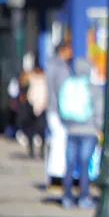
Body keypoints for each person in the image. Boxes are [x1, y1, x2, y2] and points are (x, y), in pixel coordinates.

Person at [59, 59, 104, 209]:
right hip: (89, 130)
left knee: (70, 164)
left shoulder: (68, 85)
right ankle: (84, 197)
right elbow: (99, 109)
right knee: (85, 165)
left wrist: (67, 124)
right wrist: (99, 126)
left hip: (71, 129)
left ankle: (67, 197)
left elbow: (61, 107)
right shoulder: (93, 88)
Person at [45, 43, 73, 177]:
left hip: (52, 108)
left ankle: (53, 172)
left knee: (56, 139)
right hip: (59, 110)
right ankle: (57, 173)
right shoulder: (61, 68)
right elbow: (62, 91)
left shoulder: (50, 65)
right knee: (60, 140)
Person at [23, 65, 49, 159]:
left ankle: (39, 151)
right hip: (33, 107)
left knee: (39, 130)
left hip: (39, 106)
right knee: (34, 130)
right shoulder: (32, 78)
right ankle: (34, 150)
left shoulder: (44, 79)